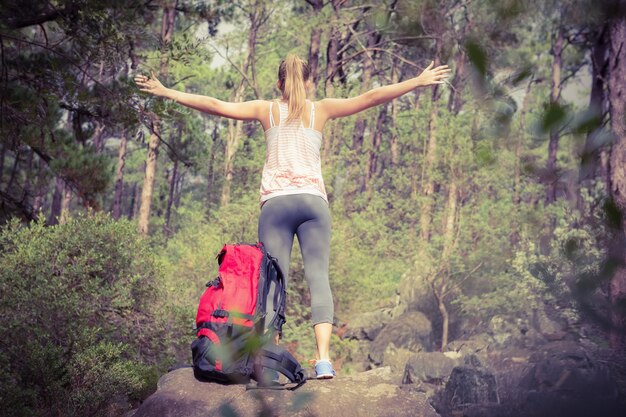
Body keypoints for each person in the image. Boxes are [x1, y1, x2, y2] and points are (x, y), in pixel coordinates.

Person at [135, 54, 450, 379]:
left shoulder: (266, 109)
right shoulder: (321, 109)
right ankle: (324, 361)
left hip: (276, 207)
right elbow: (371, 97)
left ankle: (268, 366)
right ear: (309, 82)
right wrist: (417, 80)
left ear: (279, 84)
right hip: (313, 205)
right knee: (319, 279)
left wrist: (166, 91)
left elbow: (214, 104)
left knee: (271, 286)